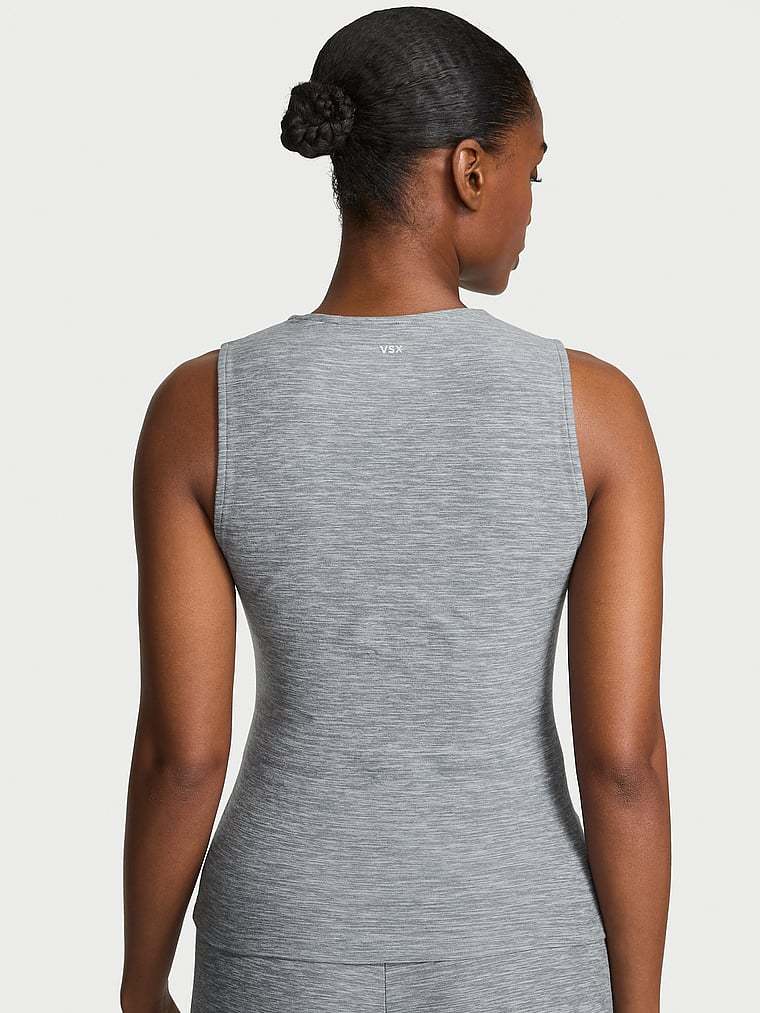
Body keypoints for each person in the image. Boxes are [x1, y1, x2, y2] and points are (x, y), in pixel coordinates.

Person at [121, 8, 670, 1012]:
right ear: (471, 171)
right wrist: (638, 1001)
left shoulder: (200, 408)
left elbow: (182, 755)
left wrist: (139, 978)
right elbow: (623, 761)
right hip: (518, 941)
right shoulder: (594, 411)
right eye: (532, 172)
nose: (532, 207)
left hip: (282, 939)